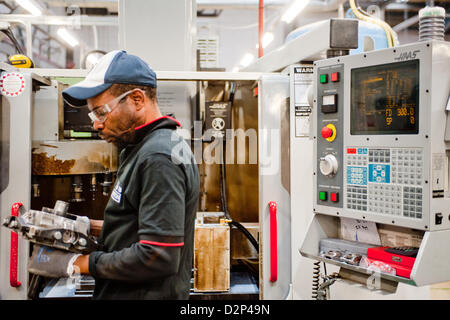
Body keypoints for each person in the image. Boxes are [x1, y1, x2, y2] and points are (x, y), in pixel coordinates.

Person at [28, 50, 200, 300]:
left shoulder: (158, 158)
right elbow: (134, 225)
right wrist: (81, 228)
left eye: (101, 112)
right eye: (93, 115)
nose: (96, 124)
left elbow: (157, 257)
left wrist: (77, 262)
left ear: (137, 99)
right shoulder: (140, 148)